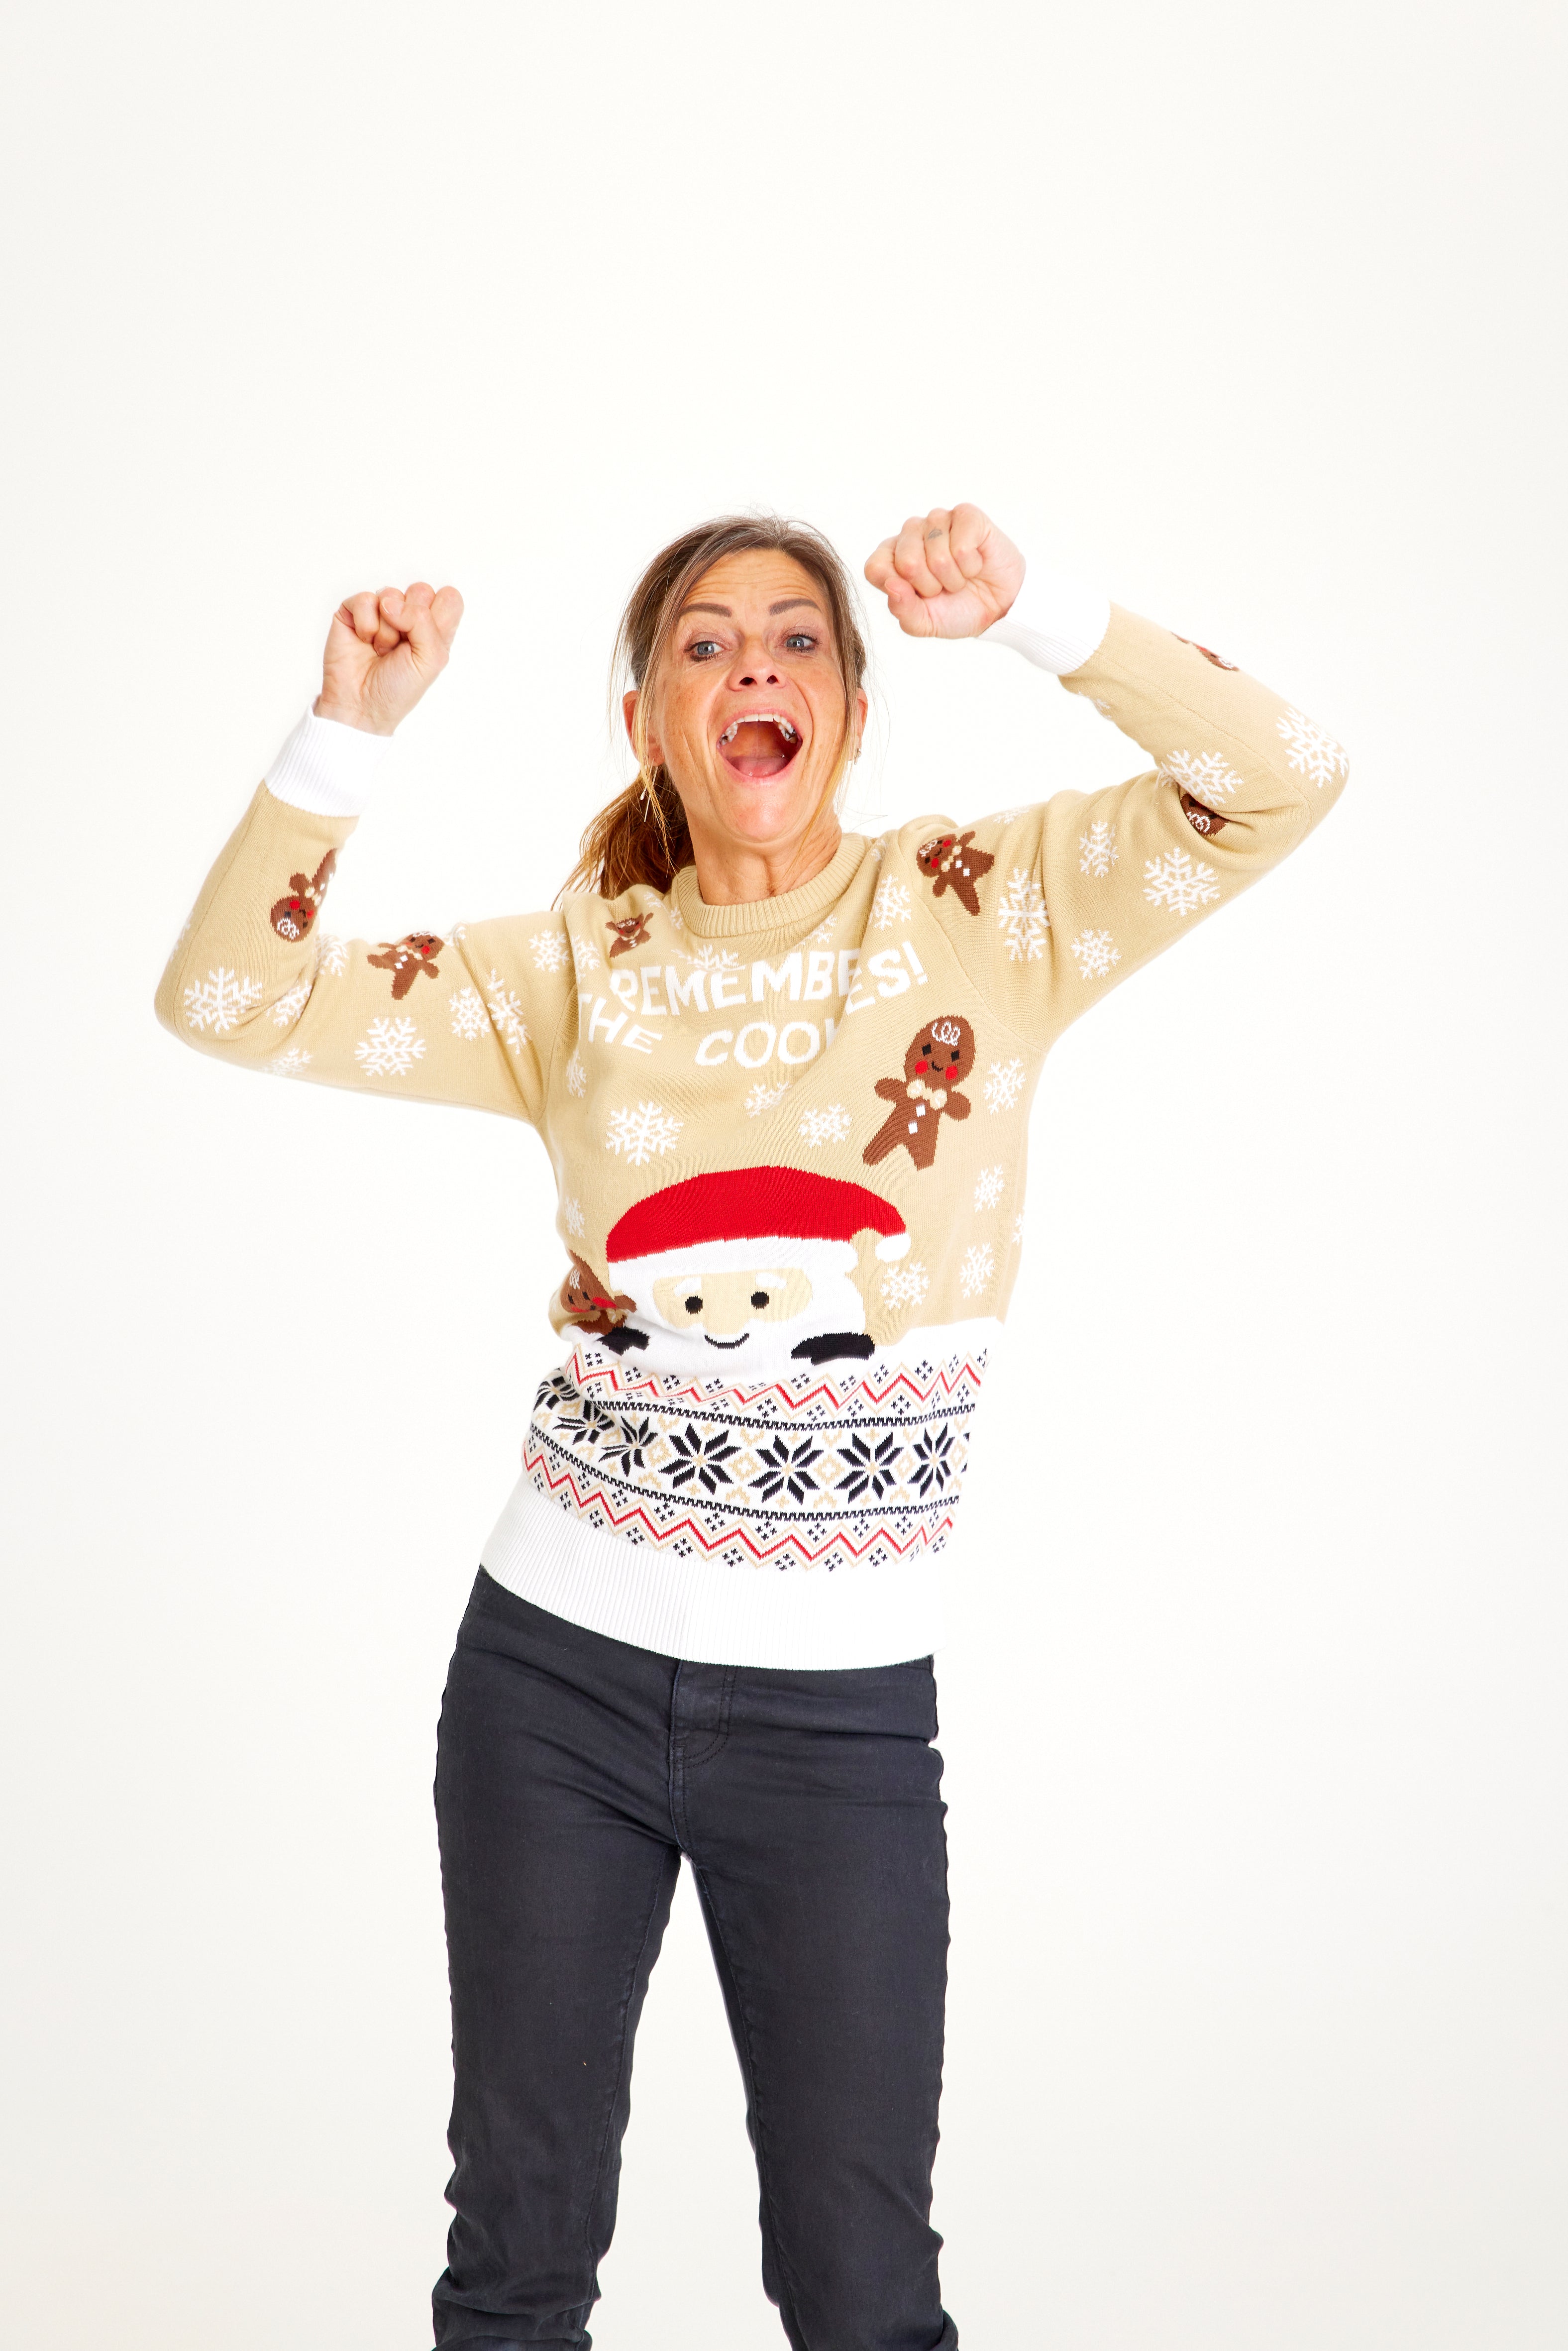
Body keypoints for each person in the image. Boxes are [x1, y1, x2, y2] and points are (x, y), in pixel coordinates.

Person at [156, 504, 1348, 2351]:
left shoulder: (981, 908)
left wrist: (1037, 611)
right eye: (704, 646)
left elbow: (1284, 776)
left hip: (838, 1719)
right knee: (518, 2261)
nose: (753, 669)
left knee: (863, 2290)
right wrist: (349, 732)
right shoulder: (572, 968)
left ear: (854, 709)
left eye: (796, 638)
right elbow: (228, 998)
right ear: (650, 721)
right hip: (550, 1688)